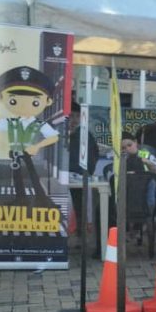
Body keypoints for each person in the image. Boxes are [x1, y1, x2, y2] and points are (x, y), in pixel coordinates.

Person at [0, 65, 59, 208]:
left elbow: (54, 137)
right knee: (17, 178)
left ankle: (42, 200)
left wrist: (37, 146)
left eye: (35, 102)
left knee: (33, 177)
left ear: (48, 101)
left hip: (28, 155)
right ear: (1, 99)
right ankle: (20, 199)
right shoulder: (10, 123)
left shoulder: (39, 124)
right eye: (14, 101)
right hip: (15, 155)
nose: (24, 106)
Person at [67, 103, 100, 244]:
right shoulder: (57, 134)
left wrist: (87, 172)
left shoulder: (86, 135)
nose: (74, 119)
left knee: (81, 207)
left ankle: (81, 238)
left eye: (77, 116)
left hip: (80, 177)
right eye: (71, 116)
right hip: (61, 178)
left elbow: (94, 155)